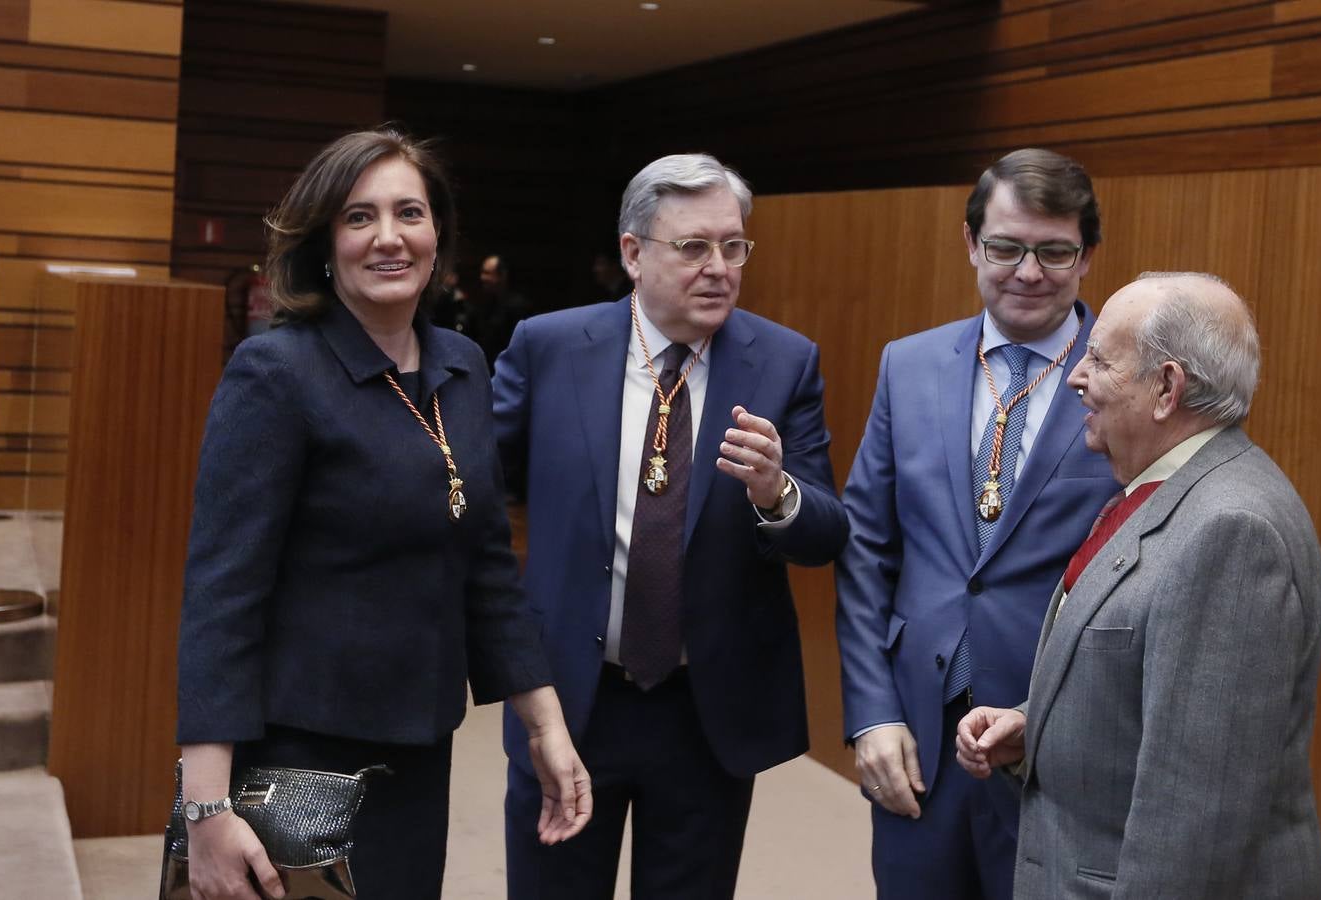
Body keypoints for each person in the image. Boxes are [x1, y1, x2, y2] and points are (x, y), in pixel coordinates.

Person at [175, 126, 592, 900]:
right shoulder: (276, 371)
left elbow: (488, 568)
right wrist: (205, 808)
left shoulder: (462, 365)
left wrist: (545, 725)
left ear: (439, 235)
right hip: (298, 752)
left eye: (410, 213)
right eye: (359, 217)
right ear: (324, 241)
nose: (389, 237)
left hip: (419, 745)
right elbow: (221, 596)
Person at [493, 153, 849, 899]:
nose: (718, 266)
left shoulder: (784, 362)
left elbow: (823, 534)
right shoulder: (549, 347)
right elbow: (475, 488)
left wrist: (776, 490)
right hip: (571, 701)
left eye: (733, 245)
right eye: (692, 247)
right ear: (632, 253)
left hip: (705, 708)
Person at [958, 273, 1321, 898]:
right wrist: (1036, 727)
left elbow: (1195, 822)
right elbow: (1150, 694)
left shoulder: (1229, 532)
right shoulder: (1163, 489)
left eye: (1100, 360)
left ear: (1165, 389)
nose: (1076, 377)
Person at [836, 148, 1121, 897]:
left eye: (1053, 250)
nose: (1027, 271)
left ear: (1086, 256)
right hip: (917, 742)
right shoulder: (909, 364)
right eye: (1004, 247)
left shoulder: (1125, 384)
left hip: (1052, 750)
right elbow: (866, 548)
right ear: (971, 245)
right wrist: (870, 714)